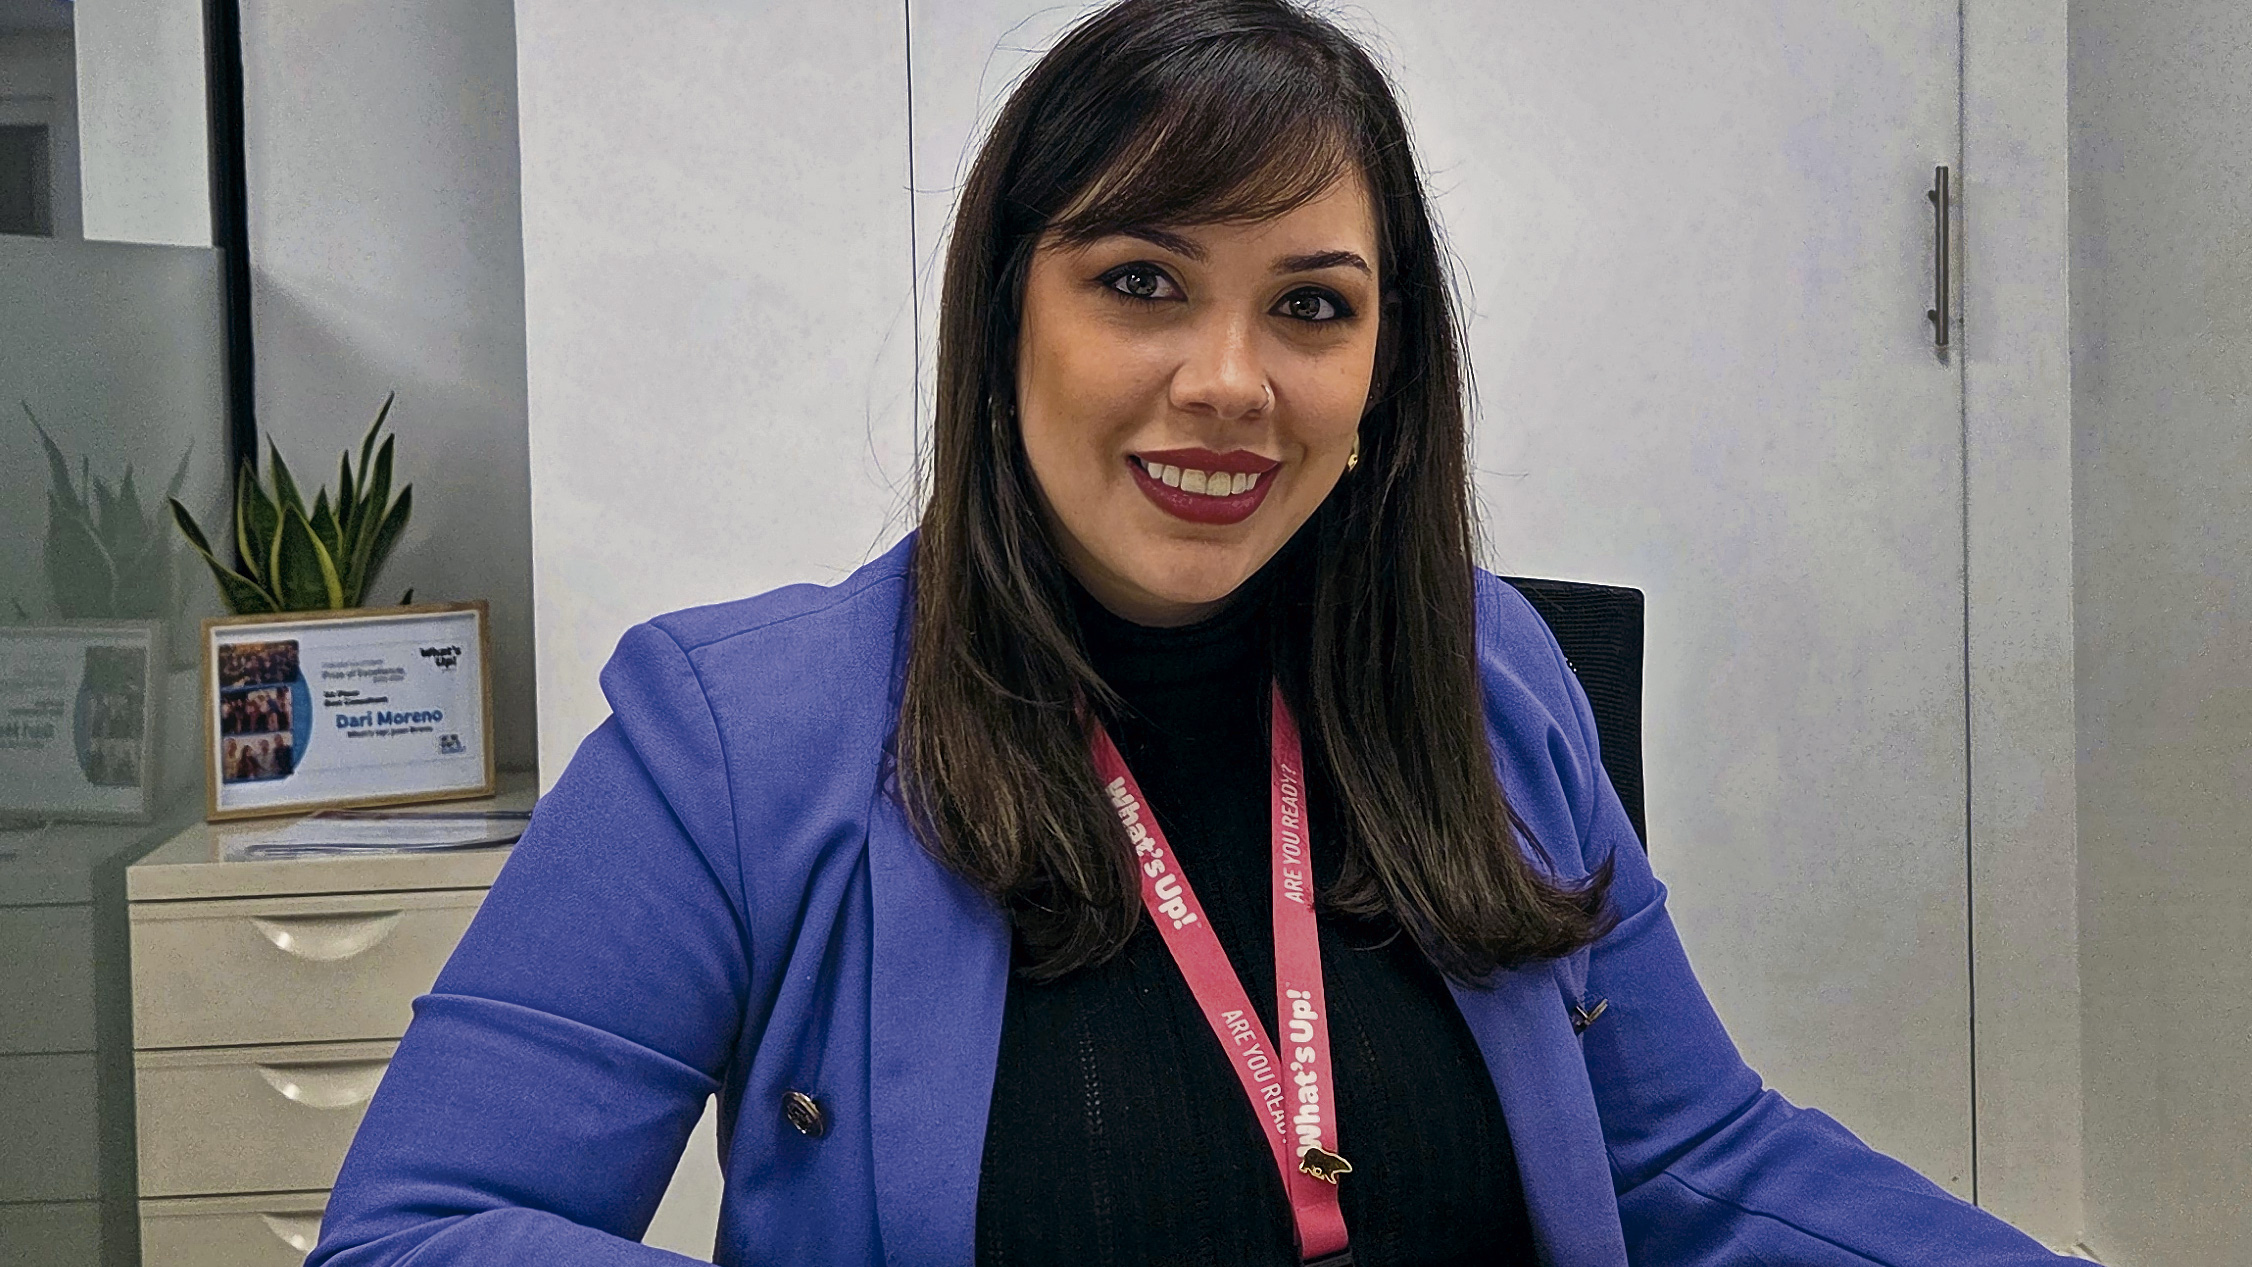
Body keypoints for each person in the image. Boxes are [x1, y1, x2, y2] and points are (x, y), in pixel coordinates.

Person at [309, 2, 2090, 1264]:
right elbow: (422, 1231)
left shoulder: (1488, 682)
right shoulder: (733, 736)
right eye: (1142, 282)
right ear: (1007, 319)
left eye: (1311, 306)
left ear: (1382, 372)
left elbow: (1697, 1161)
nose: (1230, 381)